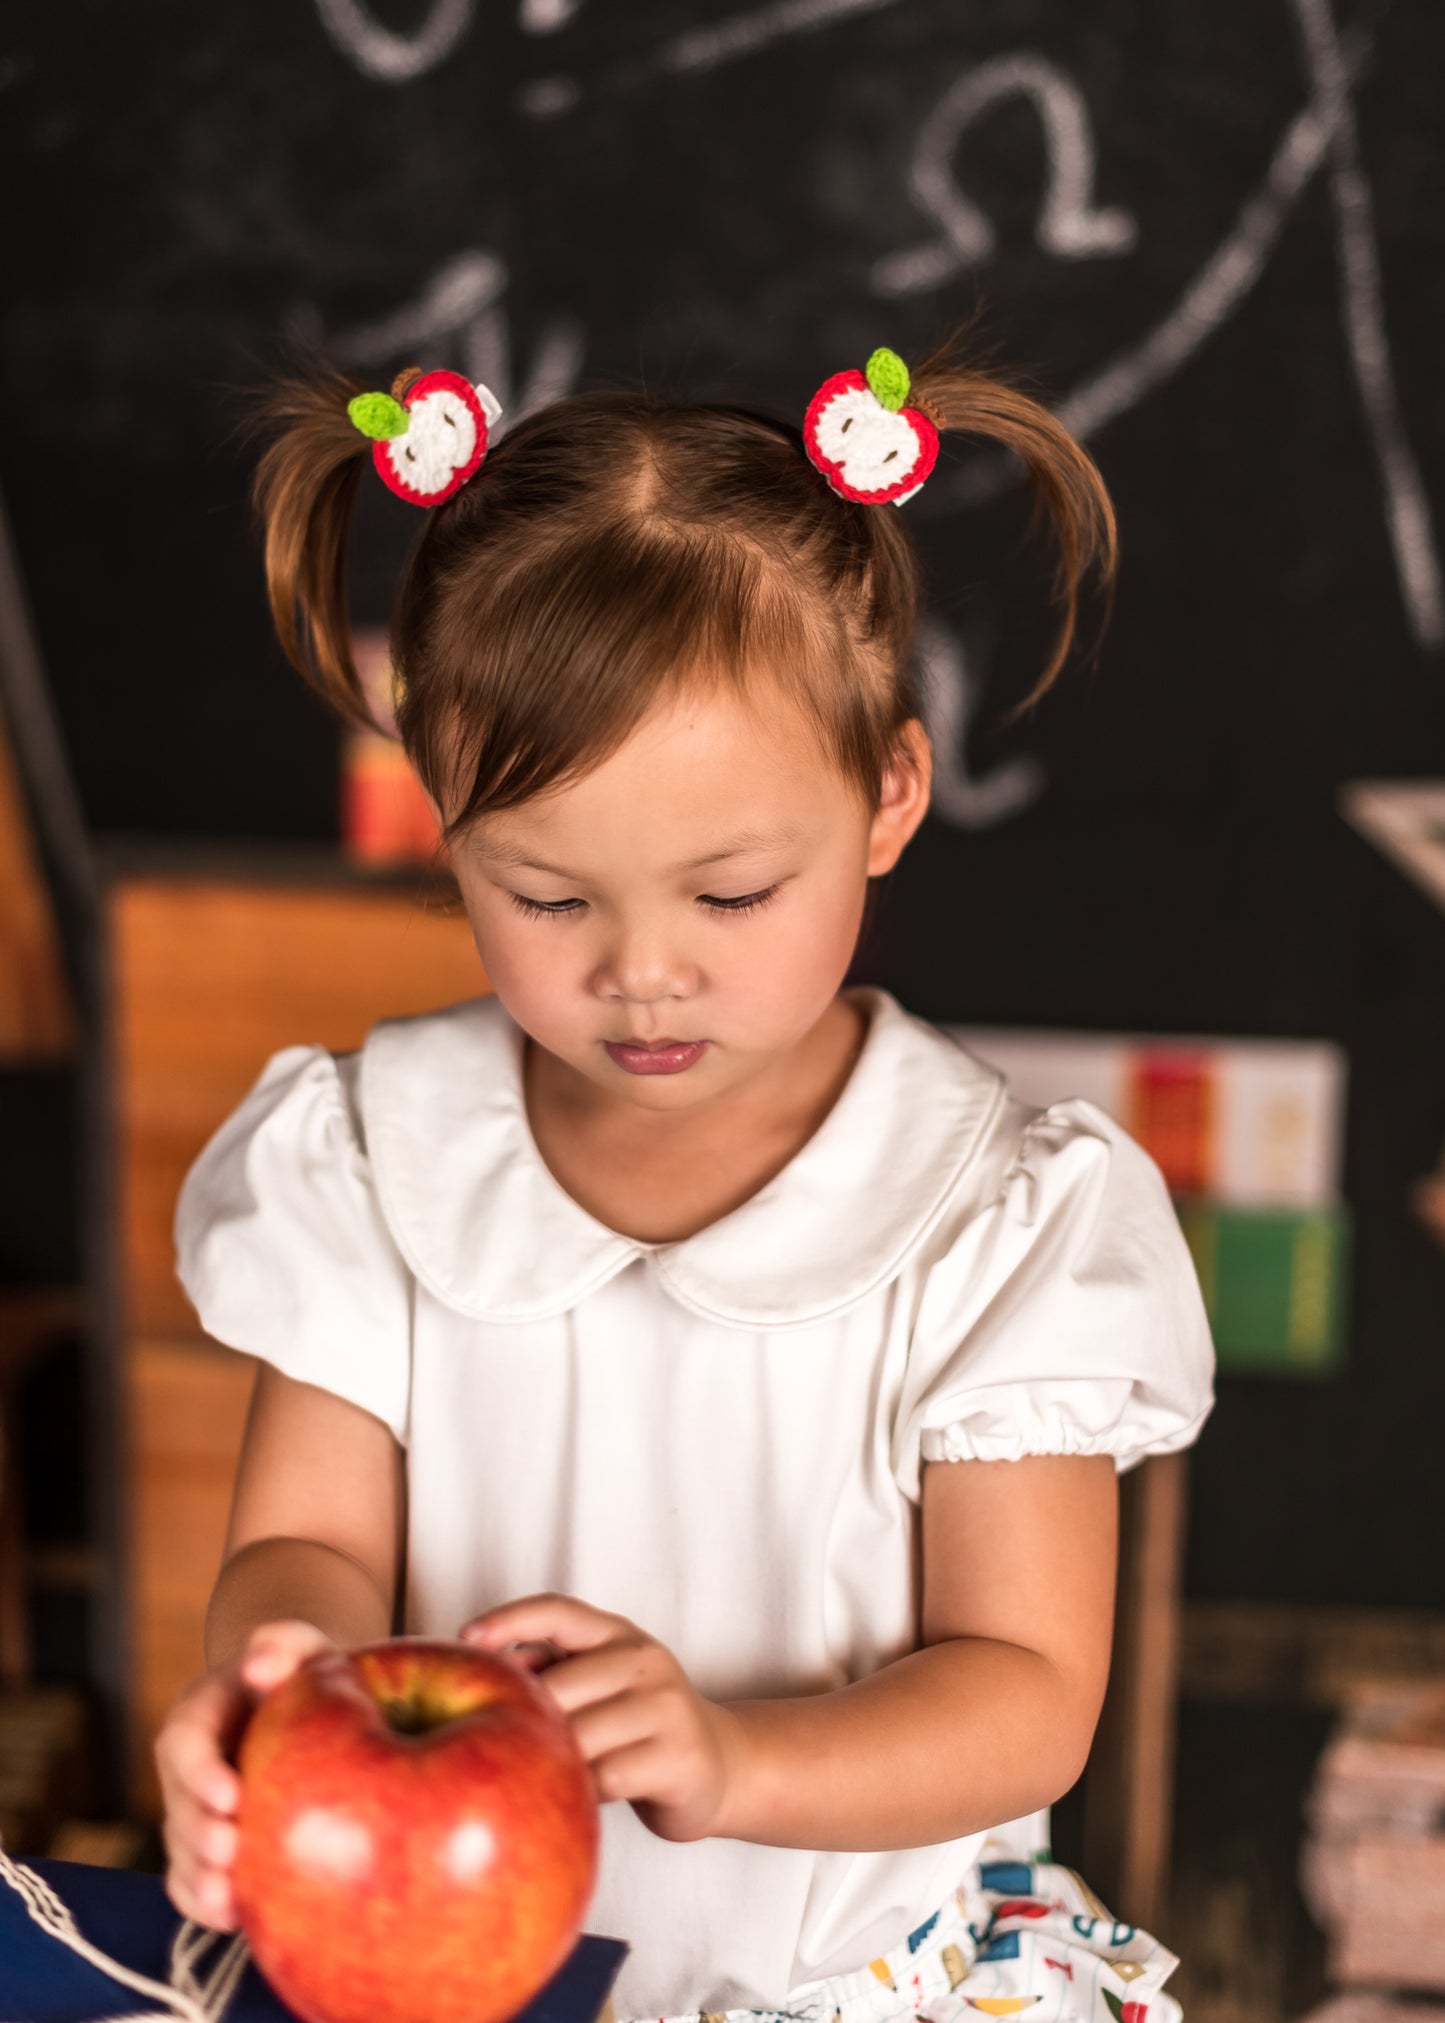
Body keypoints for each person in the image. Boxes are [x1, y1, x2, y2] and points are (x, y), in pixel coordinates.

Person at [155, 339, 1215, 2023]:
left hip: (865, 1988)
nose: (642, 973)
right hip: (450, 1971)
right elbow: (303, 1542)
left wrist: (734, 1757)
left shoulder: (997, 1217)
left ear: (886, 793)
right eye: (548, 899)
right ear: (446, 825)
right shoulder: (374, 1157)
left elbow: (1023, 1695)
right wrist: (279, 1674)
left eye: (728, 896)